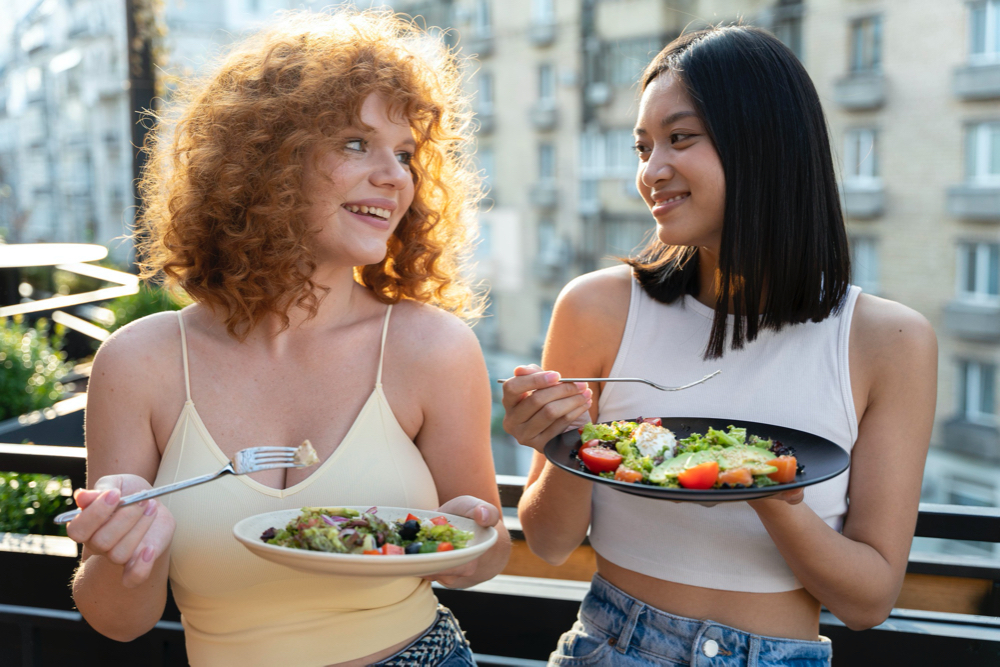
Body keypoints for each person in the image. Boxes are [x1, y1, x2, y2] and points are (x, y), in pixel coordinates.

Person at [66, 9, 510, 667]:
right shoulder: (140, 362)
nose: (395, 177)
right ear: (265, 160)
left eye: (406, 153)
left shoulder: (433, 348)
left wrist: (474, 535)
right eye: (357, 143)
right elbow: (120, 621)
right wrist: (119, 550)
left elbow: (485, 561)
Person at [501, 26, 936, 667]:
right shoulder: (596, 307)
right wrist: (559, 441)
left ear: (766, 146)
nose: (652, 171)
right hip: (612, 646)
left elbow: (868, 600)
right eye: (642, 147)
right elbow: (548, 541)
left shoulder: (890, 342)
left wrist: (765, 492)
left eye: (681, 138)